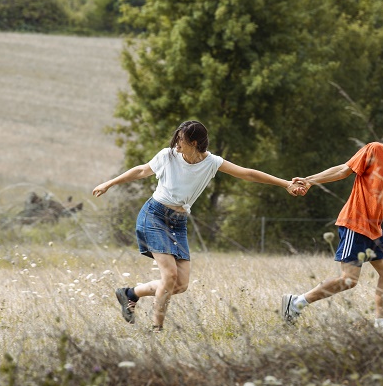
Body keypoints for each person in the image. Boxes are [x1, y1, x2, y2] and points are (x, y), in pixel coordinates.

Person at [93, 120, 305, 332]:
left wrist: (285, 183)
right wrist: (108, 183)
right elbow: (140, 171)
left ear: (194, 143)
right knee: (169, 276)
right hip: (154, 216)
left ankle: (130, 294)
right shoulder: (167, 156)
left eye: (181, 140)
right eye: (176, 138)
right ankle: (156, 330)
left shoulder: (212, 162)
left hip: (178, 222)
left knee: (179, 285)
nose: (176, 143)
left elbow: (247, 173)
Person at [281, 122, 383, 328]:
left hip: (374, 229)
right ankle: (295, 303)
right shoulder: (375, 150)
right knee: (349, 280)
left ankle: (381, 326)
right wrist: (309, 180)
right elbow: (343, 170)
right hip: (355, 223)